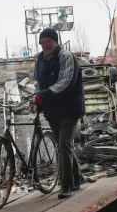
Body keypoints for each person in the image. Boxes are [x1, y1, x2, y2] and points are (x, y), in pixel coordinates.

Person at [33, 28, 85, 199]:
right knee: (64, 146)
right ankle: (77, 177)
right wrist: (36, 99)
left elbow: (65, 82)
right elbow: (38, 83)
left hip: (70, 108)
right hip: (53, 110)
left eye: (49, 41)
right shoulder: (39, 60)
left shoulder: (66, 56)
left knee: (63, 144)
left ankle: (66, 185)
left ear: (56, 42)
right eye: (42, 42)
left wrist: (42, 96)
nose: (45, 45)